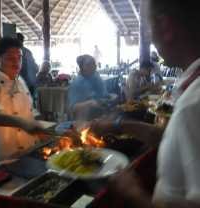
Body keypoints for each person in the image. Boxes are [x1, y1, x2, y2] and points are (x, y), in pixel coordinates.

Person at [91, 0, 200, 207]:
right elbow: (169, 137)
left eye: (149, 27)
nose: (149, 36)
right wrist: (118, 125)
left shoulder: (193, 103)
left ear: (166, 27)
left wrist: (133, 193)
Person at [0, 37, 47, 172]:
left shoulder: (20, 81)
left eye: (19, 58)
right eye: (10, 58)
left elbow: (30, 111)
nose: (16, 63)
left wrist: (42, 128)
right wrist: (22, 123)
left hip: (27, 154)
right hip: (1, 161)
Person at [68, 55, 108, 120]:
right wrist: (89, 103)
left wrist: (110, 97)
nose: (93, 66)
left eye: (94, 64)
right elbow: (73, 108)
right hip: (83, 119)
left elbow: (103, 94)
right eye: (88, 65)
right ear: (82, 67)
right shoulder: (78, 83)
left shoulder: (95, 77)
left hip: (99, 116)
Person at [16, 33, 39, 97]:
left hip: (22, 83)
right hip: (31, 83)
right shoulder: (28, 51)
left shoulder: (16, 52)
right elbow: (36, 68)